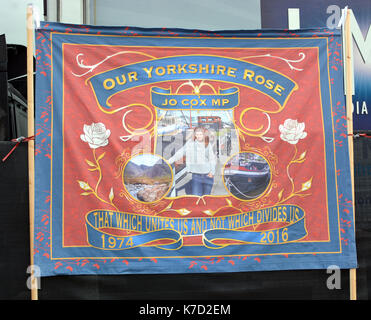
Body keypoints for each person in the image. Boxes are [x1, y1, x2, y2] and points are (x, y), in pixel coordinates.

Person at [168, 126, 216, 196]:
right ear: (195, 135)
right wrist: (169, 161)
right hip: (196, 176)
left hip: (208, 175)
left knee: (207, 198)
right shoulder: (190, 144)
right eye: (197, 134)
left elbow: (212, 160)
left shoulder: (207, 144)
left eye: (200, 134)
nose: (199, 136)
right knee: (196, 197)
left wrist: (212, 172)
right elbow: (180, 153)